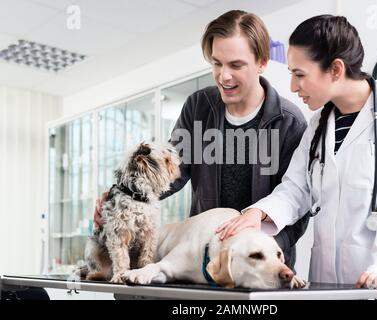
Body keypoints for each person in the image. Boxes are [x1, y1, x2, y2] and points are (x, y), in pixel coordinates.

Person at [217, 14, 377, 298]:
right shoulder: (319, 123)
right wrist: (259, 212)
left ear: (335, 69)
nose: (293, 86)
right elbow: (295, 189)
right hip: (325, 282)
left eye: (300, 74)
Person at [94, 10, 309, 270]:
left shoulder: (289, 123)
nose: (223, 76)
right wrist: (123, 198)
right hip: (203, 262)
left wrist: (258, 249)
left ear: (262, 62)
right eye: (217, 63)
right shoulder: (198, 107)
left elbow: (297, 204)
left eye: (235, 65)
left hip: (261, 269)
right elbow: (170, 173)